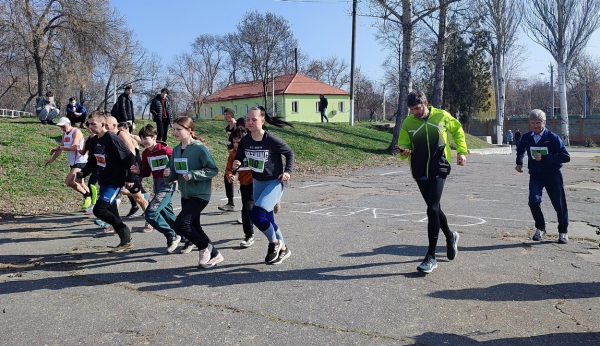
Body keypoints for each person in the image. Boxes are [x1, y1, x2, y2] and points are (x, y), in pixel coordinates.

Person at [395, 91, 467, 274]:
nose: (414, 113)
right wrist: (404, 151)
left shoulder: (441, 116)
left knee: (432, 209)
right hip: (420, 171)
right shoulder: (408, 123)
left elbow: (457, 130)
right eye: (411, 109)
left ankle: (431, 256)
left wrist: (461, 151)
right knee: (435, 209)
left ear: (425, 103)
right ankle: (451, 237)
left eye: (417, 108)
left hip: (439, 168)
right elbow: (405, 143)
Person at [232, 106, 294, 265]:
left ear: (262, 120)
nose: (250, 122)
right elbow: (238, 158)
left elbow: (289, 153)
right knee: (268, 219)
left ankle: (274, 243)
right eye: (248, 119)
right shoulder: (245, 140)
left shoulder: (271, 140)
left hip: (274, 182)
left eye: (254, 119)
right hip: (257, 182)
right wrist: (236, 164)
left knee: (257, 215)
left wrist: (287, 171)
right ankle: (284, 248)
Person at [163, 116, 223, 268]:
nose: (175, 132)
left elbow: (213, 169)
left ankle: (205, 247)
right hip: (186, 194)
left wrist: (192, 174)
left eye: (179, 129)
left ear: (189, 130)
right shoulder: (176, 150)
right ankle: (214, 254)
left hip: (200, 194)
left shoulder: (199, 148)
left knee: (181, 224)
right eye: (174, 129)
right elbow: (173, 174)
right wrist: (167, 174)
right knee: (195, 227)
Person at [76, 111, 137, 252]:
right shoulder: (93, 140)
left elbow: (129, 157)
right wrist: (82, 173)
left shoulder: (111, 138)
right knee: (113, 214)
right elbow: (93, 162)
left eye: (93, 124)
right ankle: (126, 241)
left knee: (99, 210)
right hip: (103, 180)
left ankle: (125, 231)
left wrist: (130, 178)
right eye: (88, 124)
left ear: (103, 124)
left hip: (115, 181)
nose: (90, 127)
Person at [515, 109, 570, 244]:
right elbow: (521, 149)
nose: (535, 126)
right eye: (533, 123)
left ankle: (563, 232)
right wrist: (519, 162)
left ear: (544, 122)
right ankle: (540, 228)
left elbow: (565, 156)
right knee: (533, 201)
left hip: (553, 175)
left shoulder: (552, 138)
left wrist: (545, 157)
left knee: (559, 204)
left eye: (538, 123)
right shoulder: (527, 137)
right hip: (536, 175)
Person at [131, 124, 185, 253]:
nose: (143, 141)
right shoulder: (145, 153)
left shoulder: (165, 150)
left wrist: (173, 173)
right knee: (167, 215)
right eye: (141, 138)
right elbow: (146, 172)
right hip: (157, 184)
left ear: (154, 137)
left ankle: (171, 235)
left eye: (146, 138)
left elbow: (180, 163)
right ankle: (187, 237)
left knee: (150, 213)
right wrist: (138, 171)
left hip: (168, 184)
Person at [45, 117, 92, 211]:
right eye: (61, 127)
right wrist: (52, 159)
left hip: (81, 160)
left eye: (63, 126)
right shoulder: (64, 134)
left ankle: (87, 196)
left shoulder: (76, 132)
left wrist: (59, 147)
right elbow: (61, 148)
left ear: (69, 123)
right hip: (72, 162)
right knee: (81, 183)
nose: (62, 128)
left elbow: (73, 147)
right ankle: (94, 202)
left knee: (69, 181)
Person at [226, 127, 255, 248]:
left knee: (255, 209)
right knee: (246, 209)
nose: (236, 145)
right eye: (234, 142)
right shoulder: (233, 154)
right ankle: (249, 235)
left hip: (258, 183)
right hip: (245, 186)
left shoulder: (253, 151)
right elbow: (228, 169)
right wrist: (230, 175)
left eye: (238, 142)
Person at [218, 107, 237, 212]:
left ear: (232, 114)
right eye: (224, 114)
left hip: (243, 155)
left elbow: (242, 137)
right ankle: (230, 203)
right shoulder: (227, 129)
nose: (226, 116)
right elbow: (230, 142)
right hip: (234, 155)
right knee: (227, 176)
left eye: (227, 114)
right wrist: (230, 149)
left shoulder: (239, 124)